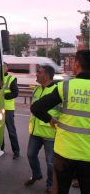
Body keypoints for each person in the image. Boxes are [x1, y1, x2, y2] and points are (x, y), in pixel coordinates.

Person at [31, 49, 90, 194]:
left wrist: (50, 119)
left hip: (64, 153)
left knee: (61, 191)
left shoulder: (65, 86)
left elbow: (36, 107)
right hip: (88, 156)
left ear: (76, 64)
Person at [24, 65, 59, 194]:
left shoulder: (57, 91)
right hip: (35, 132)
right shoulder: (37, 90)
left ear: (47, 75)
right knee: (30, 155)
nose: (37, 74)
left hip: (50, 133)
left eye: (40, 72)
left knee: (50, 162)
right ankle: (36, 175)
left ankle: (50, 185)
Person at [2, 62, 20, 159]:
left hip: (8, 108)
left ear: (7, 68)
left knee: (11, 131)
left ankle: (16, 151)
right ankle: (1, 149)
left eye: (5, 66)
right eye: (1, 66)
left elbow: (15, 93)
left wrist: (4, 96)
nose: (3, 68)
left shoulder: (11, 78)